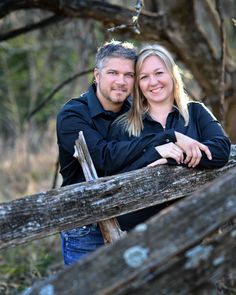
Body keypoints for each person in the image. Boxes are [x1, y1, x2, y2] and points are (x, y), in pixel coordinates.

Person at [57, 40, 184, 265]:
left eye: (128, 75)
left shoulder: (138, 113)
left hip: (132, 215)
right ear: (97, 75)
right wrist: (158, 145)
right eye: (113, 73)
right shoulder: (72, 115)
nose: (121, 81)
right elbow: (103, 158)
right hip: (85, 224)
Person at [106, 44, 231, 231]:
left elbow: (221, 150)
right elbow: (116, 179)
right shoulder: (122, 126)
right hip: (144, 234)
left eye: (159, 73)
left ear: (172, 74)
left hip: (199, 227)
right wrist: (155, 154)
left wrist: (174, 158)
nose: (153, 82)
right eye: (144, 77)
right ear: (138, 85)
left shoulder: (196, 112)